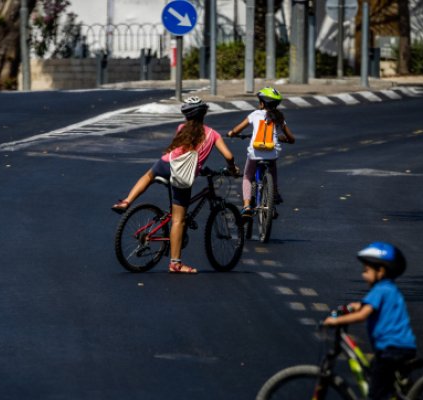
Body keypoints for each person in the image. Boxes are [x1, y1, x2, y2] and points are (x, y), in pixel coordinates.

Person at [110, 97, 239, 274]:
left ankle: (126, 201)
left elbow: (180, 151)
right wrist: (232, 169)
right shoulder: (213, 134)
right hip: (182, 175)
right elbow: (229, 156)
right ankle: (175, 263)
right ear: (204, 114)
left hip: (166, 164)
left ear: (186, 116)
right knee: (179, 219)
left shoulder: (181, 128)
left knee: (148, 175)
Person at [323, 242, 417, 400]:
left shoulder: (380, 290)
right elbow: (362, 306)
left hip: (391, 350)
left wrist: (335, 320)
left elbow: (363, 314)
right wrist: (352, 306)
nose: (363, 274)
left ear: (381, 271)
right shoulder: (389, 290)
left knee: (375, 392)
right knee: (388, 387)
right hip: (404, 347)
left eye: (366, 270)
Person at [226, 87, 295, 218]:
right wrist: (284, 139)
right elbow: (291, 139)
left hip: (255, 153)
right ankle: (273, 193)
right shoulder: (279, 118)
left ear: (262, 103)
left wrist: (231, 133)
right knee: (272, 166)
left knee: (247, 176)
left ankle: (246, 206)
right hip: (272, 152)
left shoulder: (255, 115)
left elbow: (237, 129)